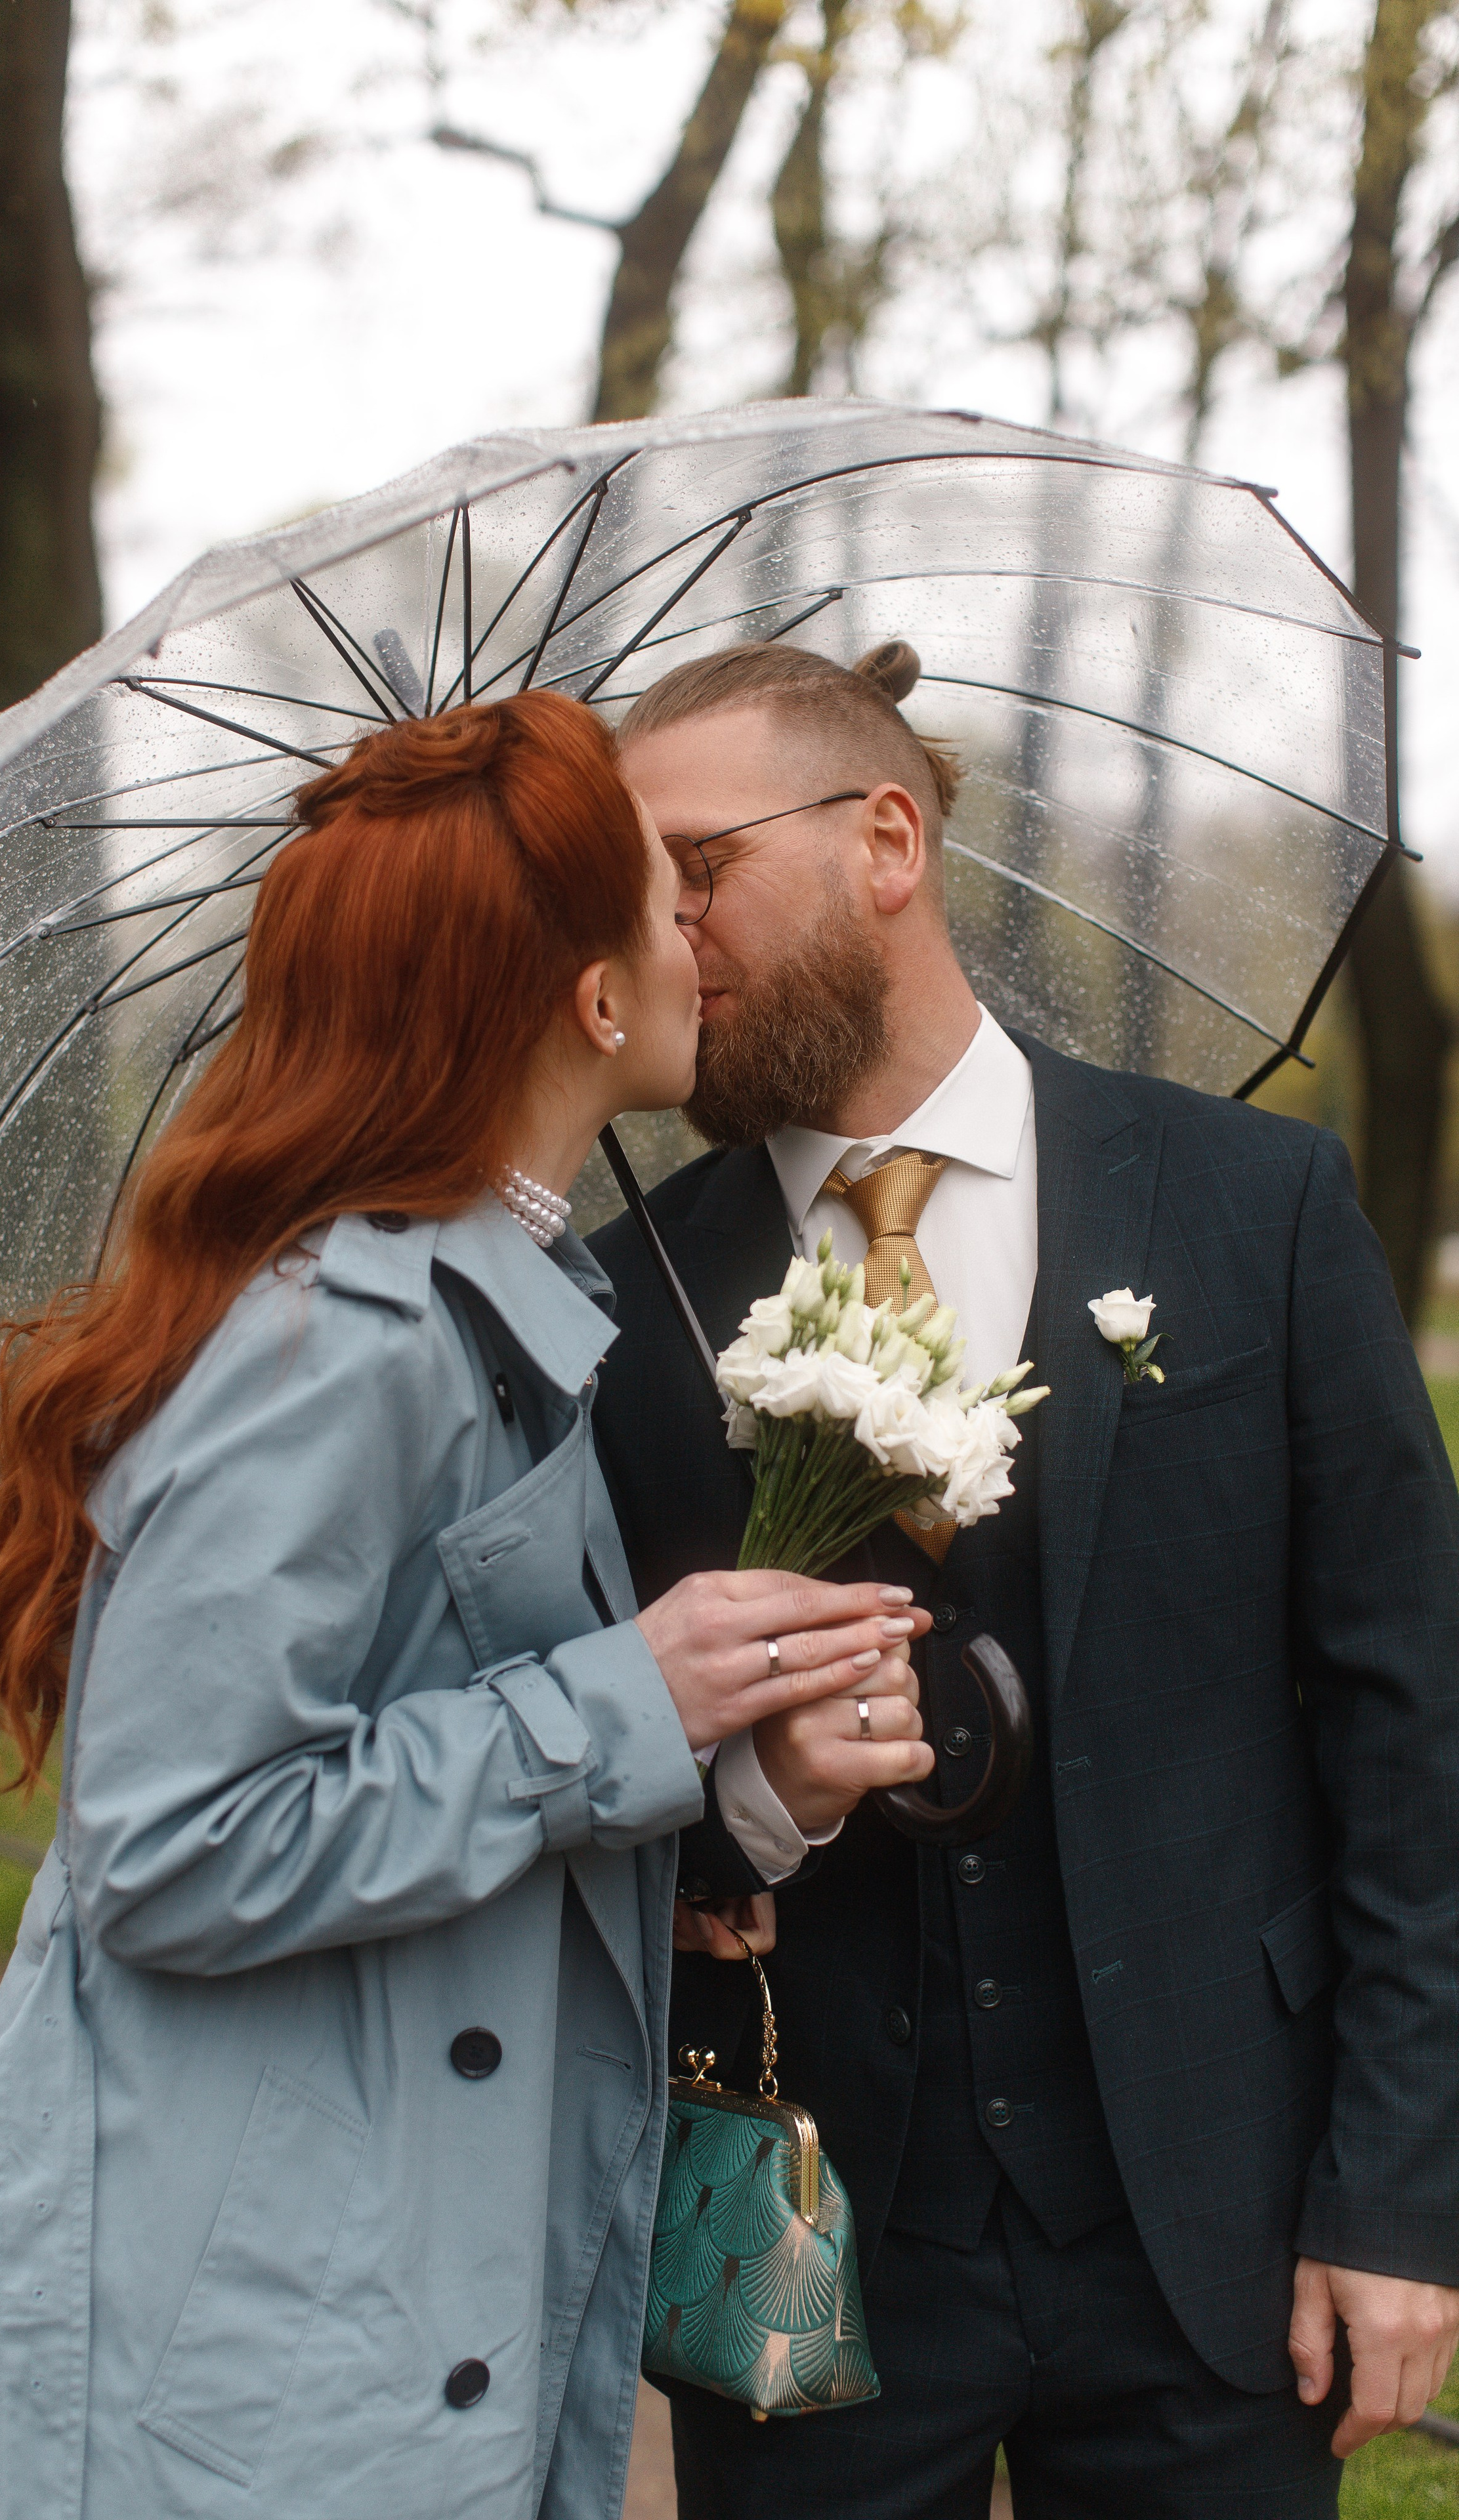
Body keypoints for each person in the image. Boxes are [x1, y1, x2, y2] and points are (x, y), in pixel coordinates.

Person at [0, 692, 933, 2520]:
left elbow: (414, 1774)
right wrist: (629, 1701)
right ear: (596, 998)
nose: (699, 933)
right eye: (662, 898)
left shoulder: (479, 1315)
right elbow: (173, 1841)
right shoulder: (341, 1351)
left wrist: (739, 1784)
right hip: (257, 2350)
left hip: (365, 2278)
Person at [589, 639, 1459, 2518]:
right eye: (631, 894)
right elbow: (574, 1780)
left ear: (885, 841)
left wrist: (1400, 2194)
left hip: (1215, 2224)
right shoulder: (618, 1307)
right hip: (801, 2246)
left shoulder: (1257, 1210)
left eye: (700, 866)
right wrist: (745, 1809)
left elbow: (1416, 1737)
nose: (663, 933)